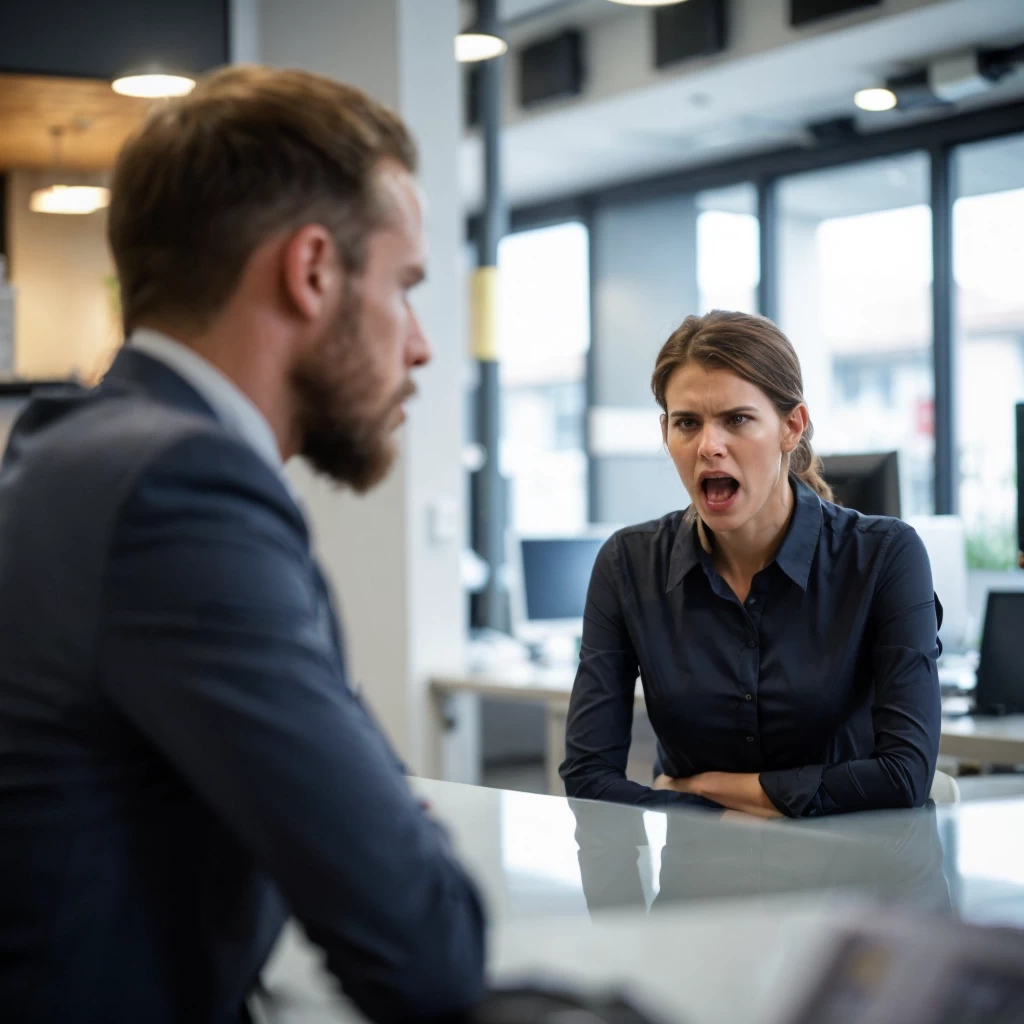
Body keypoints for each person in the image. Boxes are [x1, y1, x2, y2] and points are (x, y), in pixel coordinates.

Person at [0, 66, 485, 1023]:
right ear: (311, 271)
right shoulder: (181, 498)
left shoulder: (74, 452)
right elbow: (425, 944)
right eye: (405, 285)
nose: (421, 344)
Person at [560, 310, 942, 818]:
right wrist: (729, 815)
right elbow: (587, 779)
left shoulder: (884, 556)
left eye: (737, 420)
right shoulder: (627, 564)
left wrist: (701, 790)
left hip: (850, 885)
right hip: (697, 889)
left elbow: (904, 776)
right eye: (687, 423)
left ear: (791, 427)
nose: (708, 446)